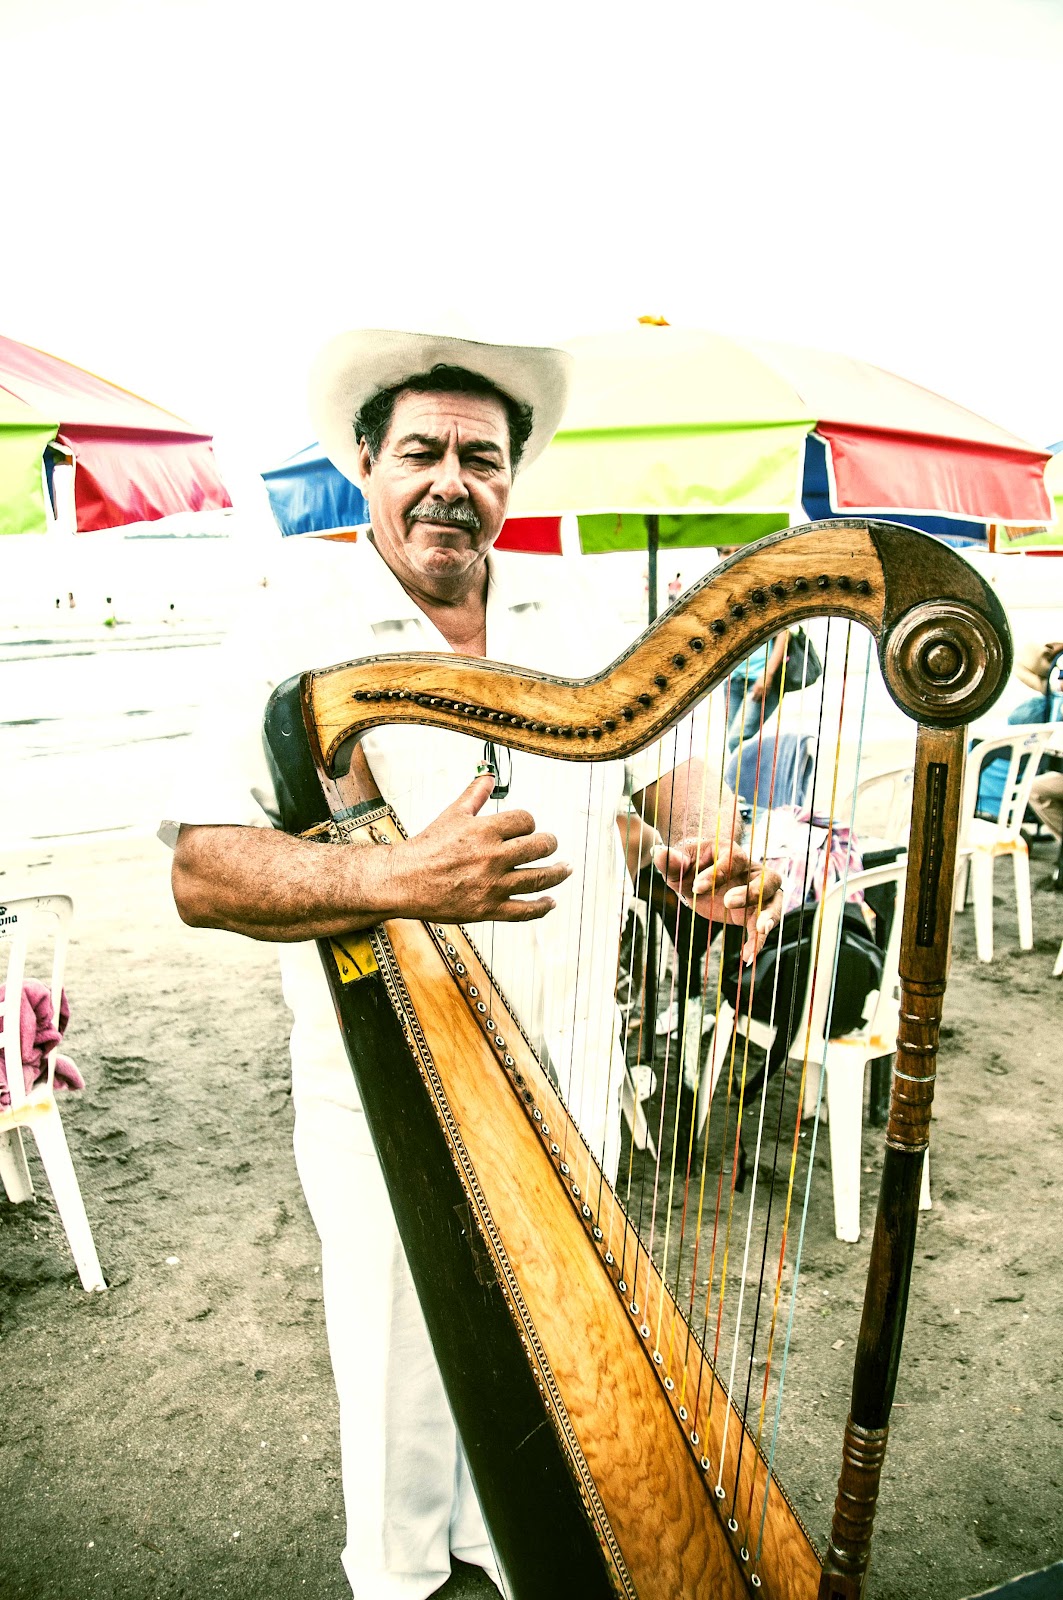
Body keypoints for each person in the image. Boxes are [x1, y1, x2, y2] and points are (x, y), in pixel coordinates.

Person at [162, 326, 782, 1600]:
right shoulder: (295, 622)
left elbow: (669, 777)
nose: (453, 479)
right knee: (401, 1401)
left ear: (515, 474)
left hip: (574, 1086)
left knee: (562, 1397)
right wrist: (395, 879)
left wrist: (704, 853)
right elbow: (203, 869)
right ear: (365, 466)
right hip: (389, 1088)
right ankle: (400, 1578)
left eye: (483, 457)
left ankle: (515, 1559)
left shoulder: (577, 609)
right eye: (423, 451)